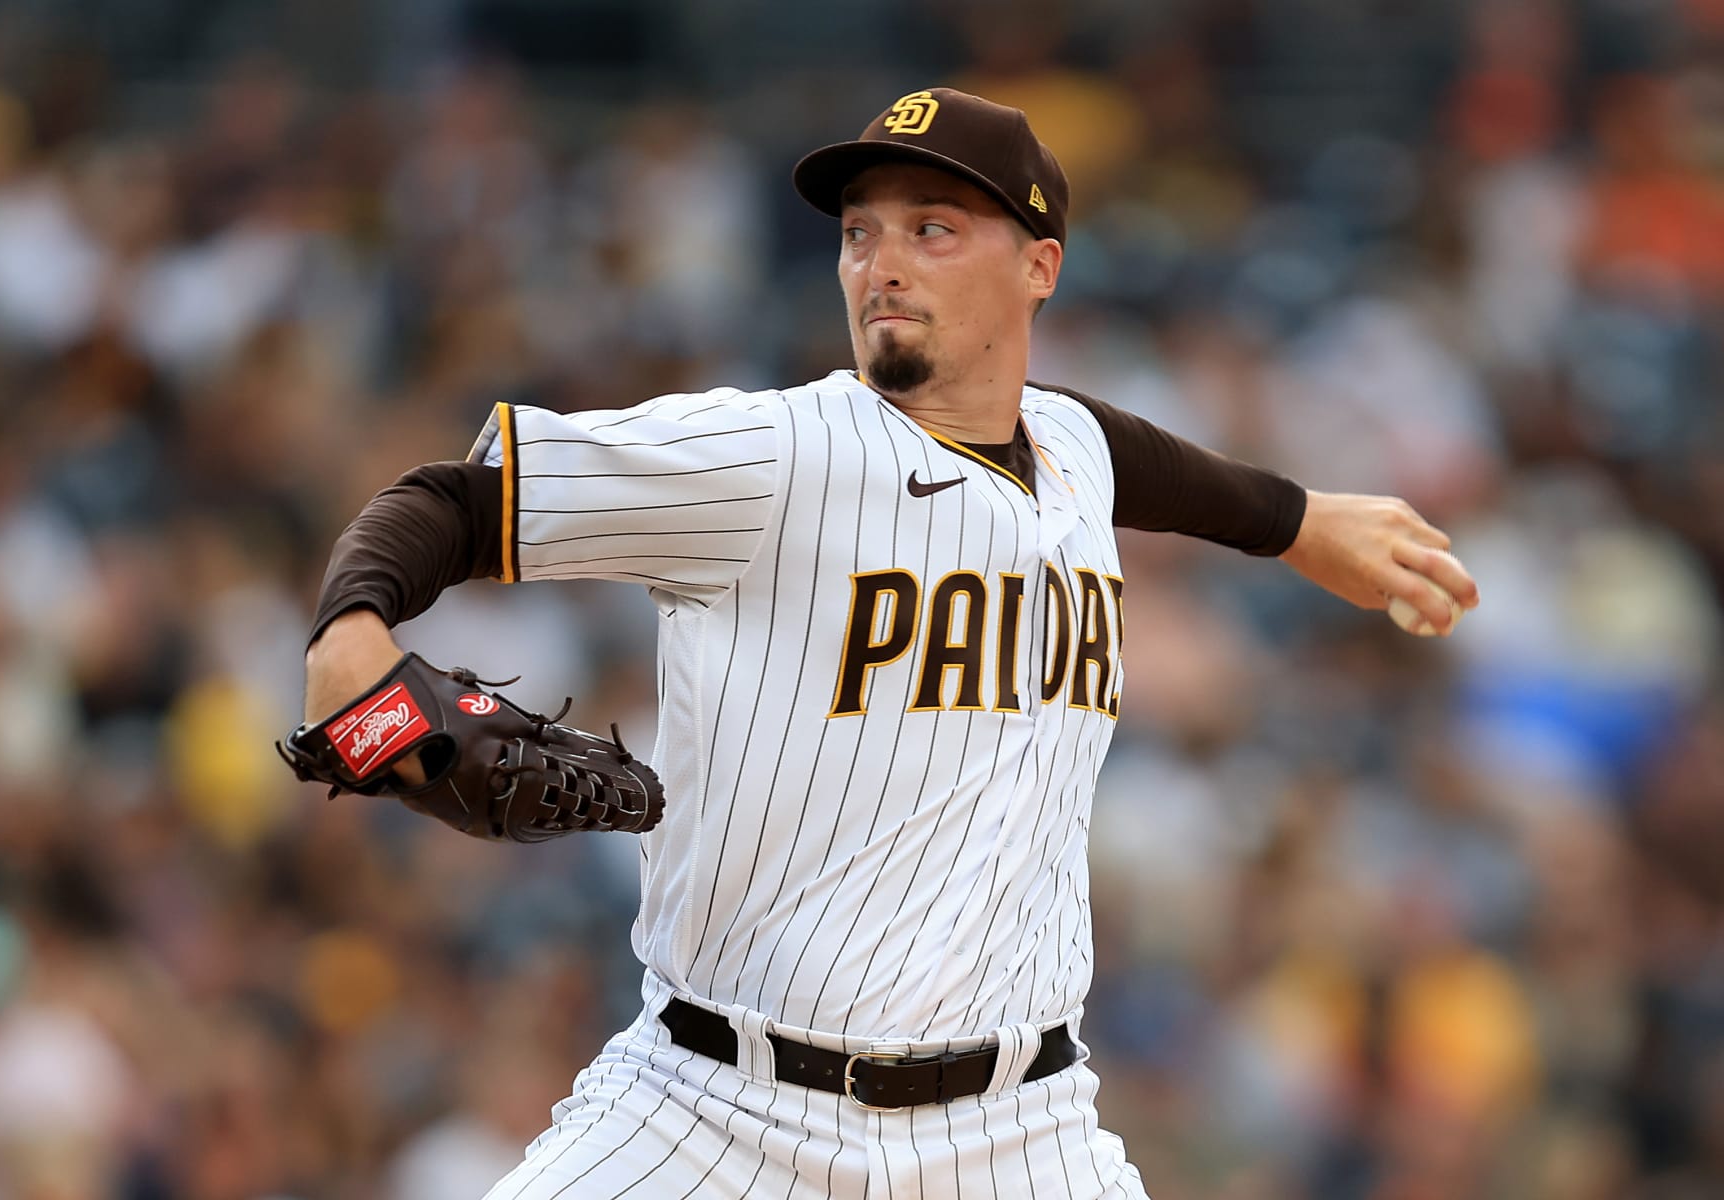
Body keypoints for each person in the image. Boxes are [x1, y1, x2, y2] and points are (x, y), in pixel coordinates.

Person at [299, 88, 1479, 1199]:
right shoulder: (773, 457)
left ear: (1040, 265)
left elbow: (1144, 463)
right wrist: (350, 656)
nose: (884, 263)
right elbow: (454, 501)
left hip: (1022, 1128)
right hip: (717, 1112)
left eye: (933, 229)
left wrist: (1300, 523)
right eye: (861, 234)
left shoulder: (1071, 448)